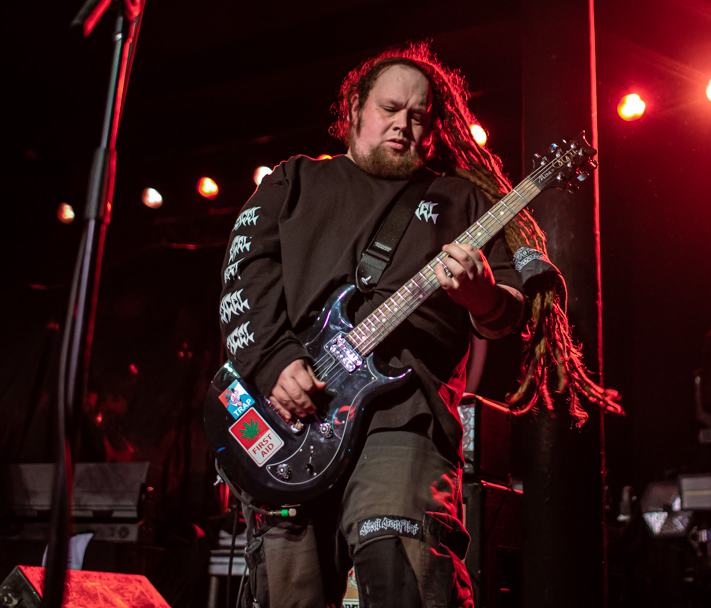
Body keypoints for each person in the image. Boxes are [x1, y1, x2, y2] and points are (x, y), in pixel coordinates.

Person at [218, 43, 528, 607]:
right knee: (290, 589)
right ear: (355, 108)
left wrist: (481, 295)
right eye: (389, 108)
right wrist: (275, 362)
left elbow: (508, 317)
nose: (403, 124)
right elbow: (244, 278)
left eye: (418, 116)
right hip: (290, 415)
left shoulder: (461, 201)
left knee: (401, 564)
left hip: (403, 416)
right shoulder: (291, 183)